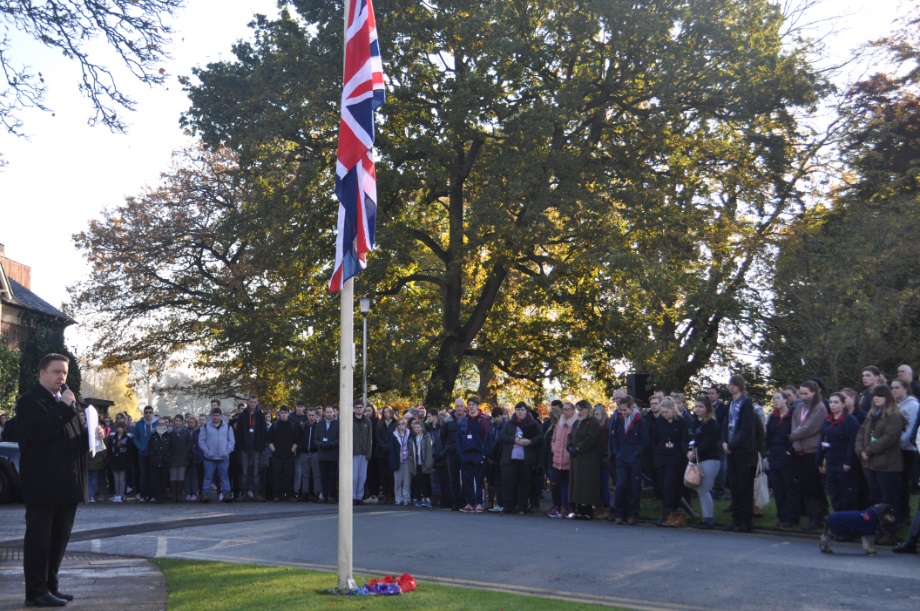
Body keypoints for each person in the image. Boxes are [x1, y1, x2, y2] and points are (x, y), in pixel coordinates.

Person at [16, 353, 103, 607]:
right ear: (42, 373)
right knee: (39, 541)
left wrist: (92, 436)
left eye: (64, 372)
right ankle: (35, 591)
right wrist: (64, 408)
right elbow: (39, 433)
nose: (61, 377)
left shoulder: (65, 402)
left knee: (59, 539)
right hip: (43, 484)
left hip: (67, 484)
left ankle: (50, 586)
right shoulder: (29, 401)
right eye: (56, 372)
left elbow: (71, 441)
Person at [855, 384, 907, 545]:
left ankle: (890, 531)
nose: (876, 398)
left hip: (887, 465)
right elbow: (861, 432)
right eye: (875, 395)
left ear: (887, 398)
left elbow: (888, 438)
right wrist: (860, 450)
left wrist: (869, 450)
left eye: (880, 395)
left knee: (888, 499)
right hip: (871, 464)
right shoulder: (872, 415)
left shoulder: (893, 416)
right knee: (875, 498)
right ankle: (877, 528)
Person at [789, 380, 828, 530]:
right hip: (800, 450)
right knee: (804, 484)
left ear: (814, 393)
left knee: (814, 485)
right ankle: (811, 516)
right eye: (801, 393)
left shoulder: (820, 408)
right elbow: (795, 424)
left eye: (806, 394)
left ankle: (818, 517)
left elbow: (809, 427)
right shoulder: (799, 407)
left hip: (812, 451)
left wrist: (793, 436)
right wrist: (796, 442)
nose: (803, 396)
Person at [721, 374, 757, 532]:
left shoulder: (746, 402)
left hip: (742, 450)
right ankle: (735, 519)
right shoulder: (729, 403)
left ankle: (745, 521)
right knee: (734, 485)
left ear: (740, 386)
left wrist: (732, 445)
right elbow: (725, 424)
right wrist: (724, 442)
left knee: (744, 486)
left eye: (734, 384)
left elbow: (746, 428)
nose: (731, 387)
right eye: (730, 384)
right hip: (730, 448)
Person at [610, 395, 647, 525]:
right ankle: (620, 513)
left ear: (631, 407)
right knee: (620, 485)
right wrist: (617, 452)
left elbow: (644, 440)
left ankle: (633, 513)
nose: (623, 413)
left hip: (635, 458)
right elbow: (614, 436)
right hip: (622, 457)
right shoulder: (619, 419)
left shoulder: (639, 420)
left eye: (625, 410)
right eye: (621, 410)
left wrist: (636, 453)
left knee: (634, 486)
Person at [499, 402, 542, 514]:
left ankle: (522, 507)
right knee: (508, 483)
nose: (520, 412)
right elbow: (502, 436)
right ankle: (508, 506)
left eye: (522, 410)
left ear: (526, 411)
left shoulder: (533, 423)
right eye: (517, 410)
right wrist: (513, 440)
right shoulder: (510, 423)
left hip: (526, 459)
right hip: (510, 458)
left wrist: (530, 441)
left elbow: (540, 436)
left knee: (524, 484)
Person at [651, 397, 688, 527]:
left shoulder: (681, 422)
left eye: (666, 412)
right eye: (662, 412)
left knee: (670, 484)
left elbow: (684, 439)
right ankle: (667, 513)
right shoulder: (659, 422)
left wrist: (682, 453)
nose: (664, 415)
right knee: (662, 485)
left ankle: (672, 511)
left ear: (673, 409)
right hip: (661, 457)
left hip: (675, 458)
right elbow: (654, 438)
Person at [765, 391, 798, 528]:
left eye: (778, 398)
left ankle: (791, 518)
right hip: (774, 455)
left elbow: (796, 434)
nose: (776, 401)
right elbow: (768, 436)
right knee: (778, 488)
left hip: (787, 455)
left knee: (789, 486)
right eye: (774, 398)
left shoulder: (792, 416)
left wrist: (790, 451)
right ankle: (782, 516)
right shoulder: (773, 417)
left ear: (785, 399)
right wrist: (768, 450)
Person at [688, 395, 721, 529]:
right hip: (698, 458)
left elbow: (708, 442)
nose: (697, 409)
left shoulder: (712, 424)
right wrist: (689, 450)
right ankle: (706, 517)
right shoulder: (694, 422)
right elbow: (691, 439)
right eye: (696, 406)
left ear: (707, 408)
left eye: (701, 406)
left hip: (710, 458)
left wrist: (695, 452)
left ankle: (709, 519)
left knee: (704, 488)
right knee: (700, 489)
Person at [567, 400, 602, 520]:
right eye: (578, 410)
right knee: (577, 483)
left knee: (586, 483)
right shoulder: (577, 422)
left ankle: (587, 509)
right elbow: (571, 435)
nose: (579, 412)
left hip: (587, 458)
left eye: (581, 409)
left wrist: (579, 448)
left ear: (587, 409)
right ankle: (579, 508)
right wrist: (569, 446)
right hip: (576, 458)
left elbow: (592, 438)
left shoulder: (592, 421)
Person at [457, 396, 492, 513]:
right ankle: (470, 503)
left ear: (478, 406)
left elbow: (488, 438)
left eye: (473, 404)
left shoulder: (483, 420)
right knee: (467, 481)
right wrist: (461, 454)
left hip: (479, 454)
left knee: (479, 481)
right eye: (470, 405)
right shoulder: (464, 420)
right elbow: (459, 438)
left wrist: (484, 454)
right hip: (466, 454)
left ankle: (479, 503)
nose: (471, 407)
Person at [891, 379, 919, 525]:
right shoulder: (893, 405)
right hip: (892, 449)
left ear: (905, 389)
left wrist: (902, 442)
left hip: (907, 449)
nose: (894, 390)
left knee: (903, 483)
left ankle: (904, 514)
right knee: (895, 484)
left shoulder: (913, 405)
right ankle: (896, 513)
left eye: (897, 387)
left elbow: (912, 426)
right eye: (892, 388)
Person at [199, 407, 236, 503]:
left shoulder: (227, 427)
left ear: (220, 416)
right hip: (209, 457)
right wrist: (207, 451)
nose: (215, 417)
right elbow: (201, 441)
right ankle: (205, 494)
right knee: (208, 476)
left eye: (217, 415)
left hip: (223, 457)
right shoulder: (206, 427)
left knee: (224, 476)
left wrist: (227, 452)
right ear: (211, 416)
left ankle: (227, 494)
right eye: (214, 415)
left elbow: (231, 441)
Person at [548, 402, 577, 518]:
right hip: (557, 459)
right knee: (555, 484)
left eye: (567, 409)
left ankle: (570, 508)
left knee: (570, 486)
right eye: (563, 409)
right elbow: (554, 439)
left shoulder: (575, 423)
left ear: (573, 410)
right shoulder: (559, 424)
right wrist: (554, 448)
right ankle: (557, 508)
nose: (564, 411)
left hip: (569, 459)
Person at [131, 405, 158, 502]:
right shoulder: (139, 424)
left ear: (153, 413)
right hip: (142, 453)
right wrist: (140, 447)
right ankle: (143, 495)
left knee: (152, 475)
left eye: (150, 412)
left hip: (154, 453)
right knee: (143, 475)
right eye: (146, 412)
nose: (148, 414)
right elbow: (135, 437)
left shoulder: (157, 423)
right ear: (144, 413)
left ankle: (153, 495)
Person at [408, 419, 435, 507]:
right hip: (417, 462)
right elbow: (410, 450)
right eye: (415, 427)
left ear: (422, 428)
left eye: (418, 427)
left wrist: (428, 463)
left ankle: (428, 499)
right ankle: (422, 498)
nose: (416, 429)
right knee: (420, 481)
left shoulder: (426, 436)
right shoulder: (412, 438)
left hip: (425, 462)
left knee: (426, 481)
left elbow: (429, 450)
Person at [298, 407, 323, 501]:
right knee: (305, 474)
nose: (311, 417)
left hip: (315, 453)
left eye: (313, 415)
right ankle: (305, 493)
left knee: (316, 475)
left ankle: (316, 493)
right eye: (309, 415)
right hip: (304, 453)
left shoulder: (319, 426)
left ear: (316, 416)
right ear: (307, 415)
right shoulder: (303, 426)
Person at [593, 404, 612, 520]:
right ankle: (598, 506)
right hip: (595, 459)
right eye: (594, 414)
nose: (595, 416)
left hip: (604, 460)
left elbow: (607, 445)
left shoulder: (607, 427)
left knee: (603, 484)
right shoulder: (595, 427)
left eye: (597, 414)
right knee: (597, 485)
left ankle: (605, 507)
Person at [318, 405, 340, 503]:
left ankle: (332, 495)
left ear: (333, 413)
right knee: (323, 476)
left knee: (332, 476)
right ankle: (324, 495)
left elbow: (340, 438)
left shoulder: (338, 424)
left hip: (333, 454)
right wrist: (320, 444)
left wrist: (331, 444)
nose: (329, 414)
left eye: (330, 412)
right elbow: (315, 438)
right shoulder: (320, 424)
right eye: (327, 412)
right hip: (322, 454)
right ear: (324, 413)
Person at [352, 401, 373, 505]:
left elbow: (370, 438)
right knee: (354, 476)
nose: (359, 409)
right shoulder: (350, 420)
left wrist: (368, 452)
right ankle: (352, 496)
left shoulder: (367, 421)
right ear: (353, 408)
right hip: (353, 452)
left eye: (360, 407)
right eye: (357, 407)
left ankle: (359, 496)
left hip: (364, 452)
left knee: (362, 477)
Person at [106, 422, 132, 503]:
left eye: (121, 427)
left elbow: (130, 451)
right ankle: (117, 494)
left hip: (123, 460)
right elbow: (109, 450)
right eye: (118, 427)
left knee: (122, 478)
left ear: (124, 428)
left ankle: (121, 494)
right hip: (114, 460)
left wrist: (128, 461)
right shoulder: (113, 438)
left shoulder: (127, 438)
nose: (119, 429)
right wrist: (109, 460)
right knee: (116, 478)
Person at [168, 414, 191, 503]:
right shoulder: (170, 430)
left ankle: (179, 495)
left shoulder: (186, 430)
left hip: (183, 456)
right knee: (173, 475)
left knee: (181, 475)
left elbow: (189, 442)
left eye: (180, 421)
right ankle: (174, 495)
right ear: (174, 421)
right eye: (176, 420)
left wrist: (186, 451)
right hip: (172, 456)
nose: (178, 422)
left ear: (182, 422)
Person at [389, 418, 412, 505]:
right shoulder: (394, 435)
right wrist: (393, 462)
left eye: (403, 424)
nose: (401, 425)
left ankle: (406, 498)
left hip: (408, 461)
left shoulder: (410, 434)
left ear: (406, 425)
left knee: (407, 482)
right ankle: (398, 498)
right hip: (398, 461)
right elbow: (391, 450)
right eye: (399, 424)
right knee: (398, 482)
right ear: (397, 426)